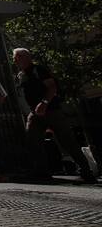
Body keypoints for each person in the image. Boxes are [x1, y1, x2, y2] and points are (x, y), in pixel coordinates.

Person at [13, 48, 95, 183]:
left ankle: (87, 172)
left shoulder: (38, 70)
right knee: (33, 141)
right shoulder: (21, 74)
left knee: (68, 142)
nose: (15, 61)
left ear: (25, 57)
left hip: (51, 111)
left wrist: (44, 103)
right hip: (35, 113)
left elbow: (52, 87)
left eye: (17, 57)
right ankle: (41, 172)